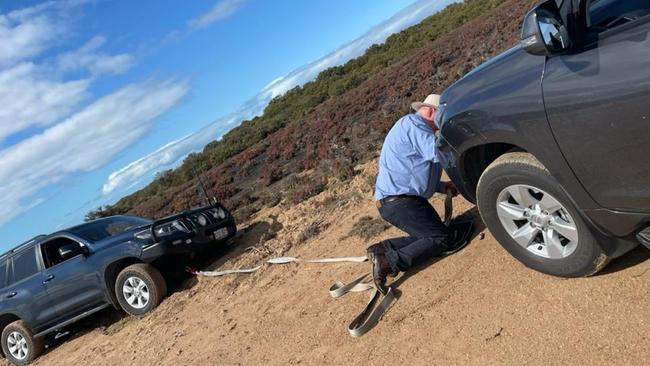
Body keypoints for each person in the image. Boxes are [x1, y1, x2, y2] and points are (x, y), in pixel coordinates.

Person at [368, 94, 474, 293]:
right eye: (442, 116)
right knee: (441, 238)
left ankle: (382, 249)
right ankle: (389, 262)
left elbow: (417, 172)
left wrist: (443, 187)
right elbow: (436, 152)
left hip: (398, 201)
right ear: (432, 111)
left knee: (431, 235)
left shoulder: (416, 129)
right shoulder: (412, 124)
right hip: (400, 202)